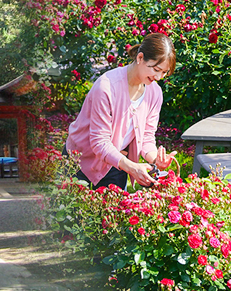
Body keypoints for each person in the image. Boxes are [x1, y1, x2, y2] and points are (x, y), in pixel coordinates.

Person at [65, 33, 176, 190]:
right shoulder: (106, 87)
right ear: (140, 58)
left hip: (117, 163)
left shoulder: (155, 93)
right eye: (156, 69)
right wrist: (132, 167)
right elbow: (99, 142)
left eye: (164, 72)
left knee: (113, 213)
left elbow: (146, 136)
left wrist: (155, 159)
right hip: (79, 162)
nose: (158, 77)